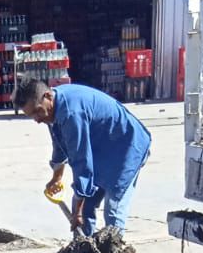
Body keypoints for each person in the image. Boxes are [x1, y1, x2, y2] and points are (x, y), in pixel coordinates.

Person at [15, 77, 151, 236]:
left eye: (37, 111)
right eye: (31, 115)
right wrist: (57, 177)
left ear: (48, 96)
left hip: (127, 147)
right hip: (102, 149)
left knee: (113, 209)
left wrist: (77, 212)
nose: (37, 119)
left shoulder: (72, 113)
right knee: (83, 203)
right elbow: (59, 143)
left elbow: (82, 163)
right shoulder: (52, 111)